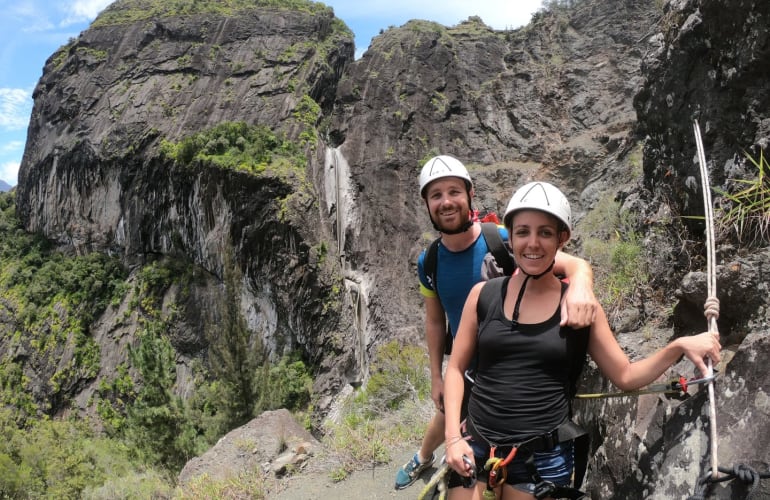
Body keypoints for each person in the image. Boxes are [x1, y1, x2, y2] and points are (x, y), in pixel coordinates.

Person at [442, 181, 722, 499]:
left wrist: (678, 346)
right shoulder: (483, 295)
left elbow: (625, 376)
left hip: (541, 459)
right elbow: (456, 369)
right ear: (512, 237)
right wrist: (452, 438)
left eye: (545, 233)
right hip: (476, 446)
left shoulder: (581, 307)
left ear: (562, 239)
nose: (532, 243)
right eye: (523, 232)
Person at [394, 157, 599, 491]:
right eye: (436, 195)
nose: (446, 202)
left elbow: (569, 263)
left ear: (470, 194)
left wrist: (582, 281)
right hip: (466, 367)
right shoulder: (428, 261)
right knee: (447, 415)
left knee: (463, 427)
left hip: (503, 367)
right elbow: (435, 320)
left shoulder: (503, 239)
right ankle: (423, 456)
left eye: (454, 191)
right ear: (426, 203)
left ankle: (432, 458)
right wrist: (436, 376)